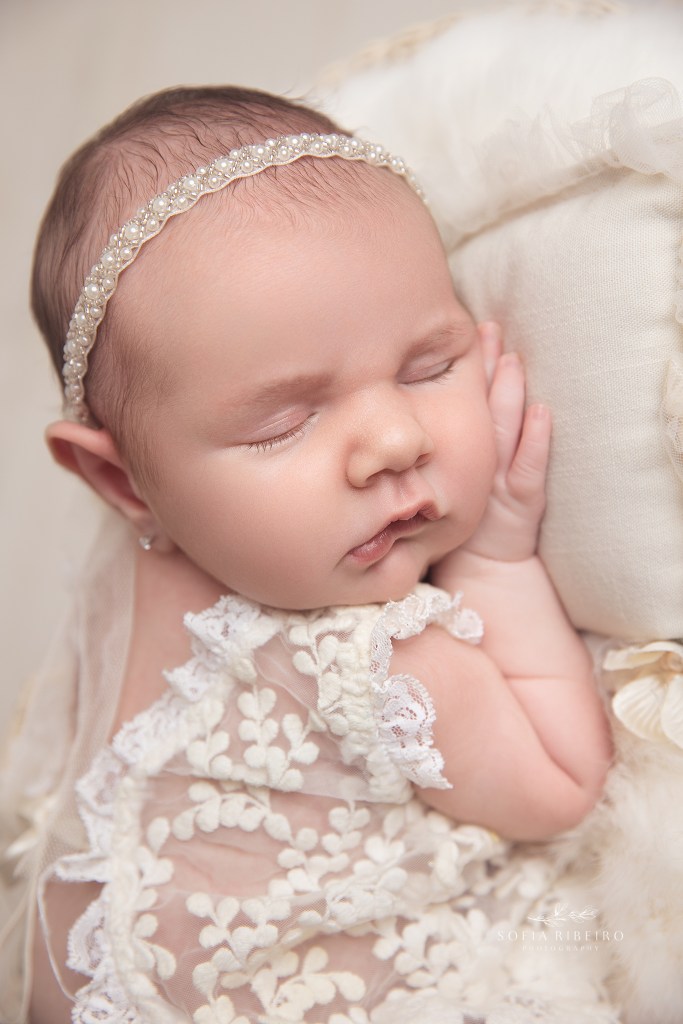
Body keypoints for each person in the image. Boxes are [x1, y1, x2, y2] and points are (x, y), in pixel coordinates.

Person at [1, 86, 614, 1024]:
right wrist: (496, 560)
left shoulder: (142, 571)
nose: (393, 442)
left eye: (430, 365)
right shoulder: (376, 661)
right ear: (125, 482)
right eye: (285, 425)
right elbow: (567, 787)